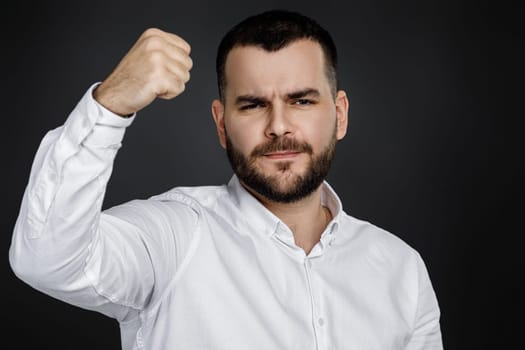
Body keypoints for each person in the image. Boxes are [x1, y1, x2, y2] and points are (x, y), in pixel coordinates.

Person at [9, 9, 443, 350]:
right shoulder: (175, 238)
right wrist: (110, 105)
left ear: (340, 114)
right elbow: (47, 258)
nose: (278, 126)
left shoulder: (401, 271)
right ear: (221, 124)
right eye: (253, 105)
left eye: (302, 100)